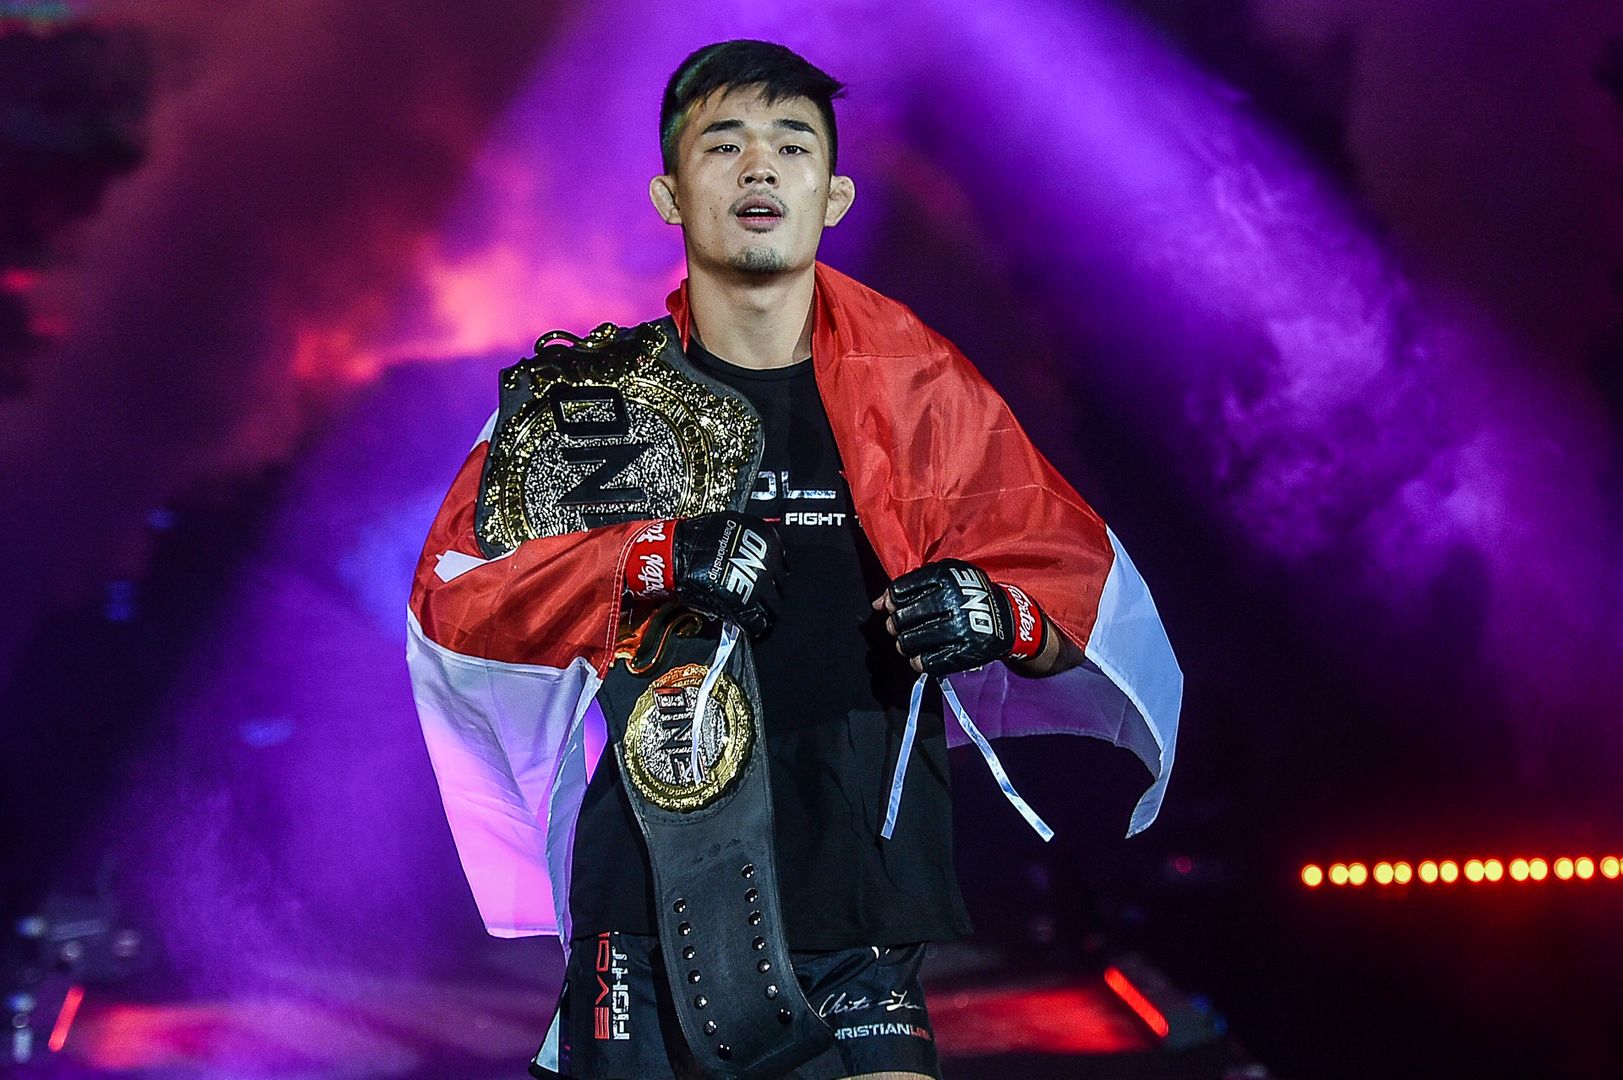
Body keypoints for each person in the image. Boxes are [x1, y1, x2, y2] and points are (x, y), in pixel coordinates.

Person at [406, 40, 1181, 1080]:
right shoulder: (594, 405)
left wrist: (995, 614)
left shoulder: (922, 392)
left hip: (864, 909)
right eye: (723, 145)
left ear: (834, 194)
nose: (759, 166)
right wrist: (652, 557)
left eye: (791, 144)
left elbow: (1067, 588)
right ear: (670, 195)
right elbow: (460, 600)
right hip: (654, 909)